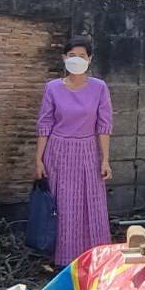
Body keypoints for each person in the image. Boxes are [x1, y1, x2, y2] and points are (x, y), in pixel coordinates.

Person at [35, 36, 113, 267]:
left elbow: (104, 125)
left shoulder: (99, 88)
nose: (76, 60)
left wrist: (105, 159)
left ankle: (95, 258)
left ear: (90, 59)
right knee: (61, 205)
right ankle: (60, 259)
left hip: (88, 151)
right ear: (63, 58)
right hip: (57, 151)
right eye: (72, 56)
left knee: (91, 203)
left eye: (81, 56)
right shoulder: (53, 88)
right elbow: (44, 124)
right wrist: (38, 159)